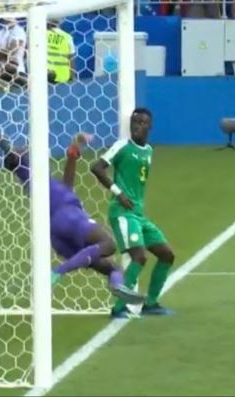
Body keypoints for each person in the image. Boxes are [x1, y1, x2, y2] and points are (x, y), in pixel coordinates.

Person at [0, 120, 144, 305]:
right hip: (69, 217)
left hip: (57, 235)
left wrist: (76, 144)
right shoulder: (27, 170)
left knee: (111, 268)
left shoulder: (43, 184)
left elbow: (68, 180)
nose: (24, 148)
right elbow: (3, 143)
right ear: (19, 159)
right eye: (22, 150)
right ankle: (57, 272)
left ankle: (117, 286)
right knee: (108, 244)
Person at [91, 108, 176, 319]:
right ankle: (119, 307)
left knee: (167, 255)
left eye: (142, 122)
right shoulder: (122, 146)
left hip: (138, 214)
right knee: (139, 256)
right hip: (121, 212)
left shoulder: (148, 151)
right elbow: (97, 167)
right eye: (134, 121)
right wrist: (117, 193)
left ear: (150, 126)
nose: (137, 125)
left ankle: (151, 303)